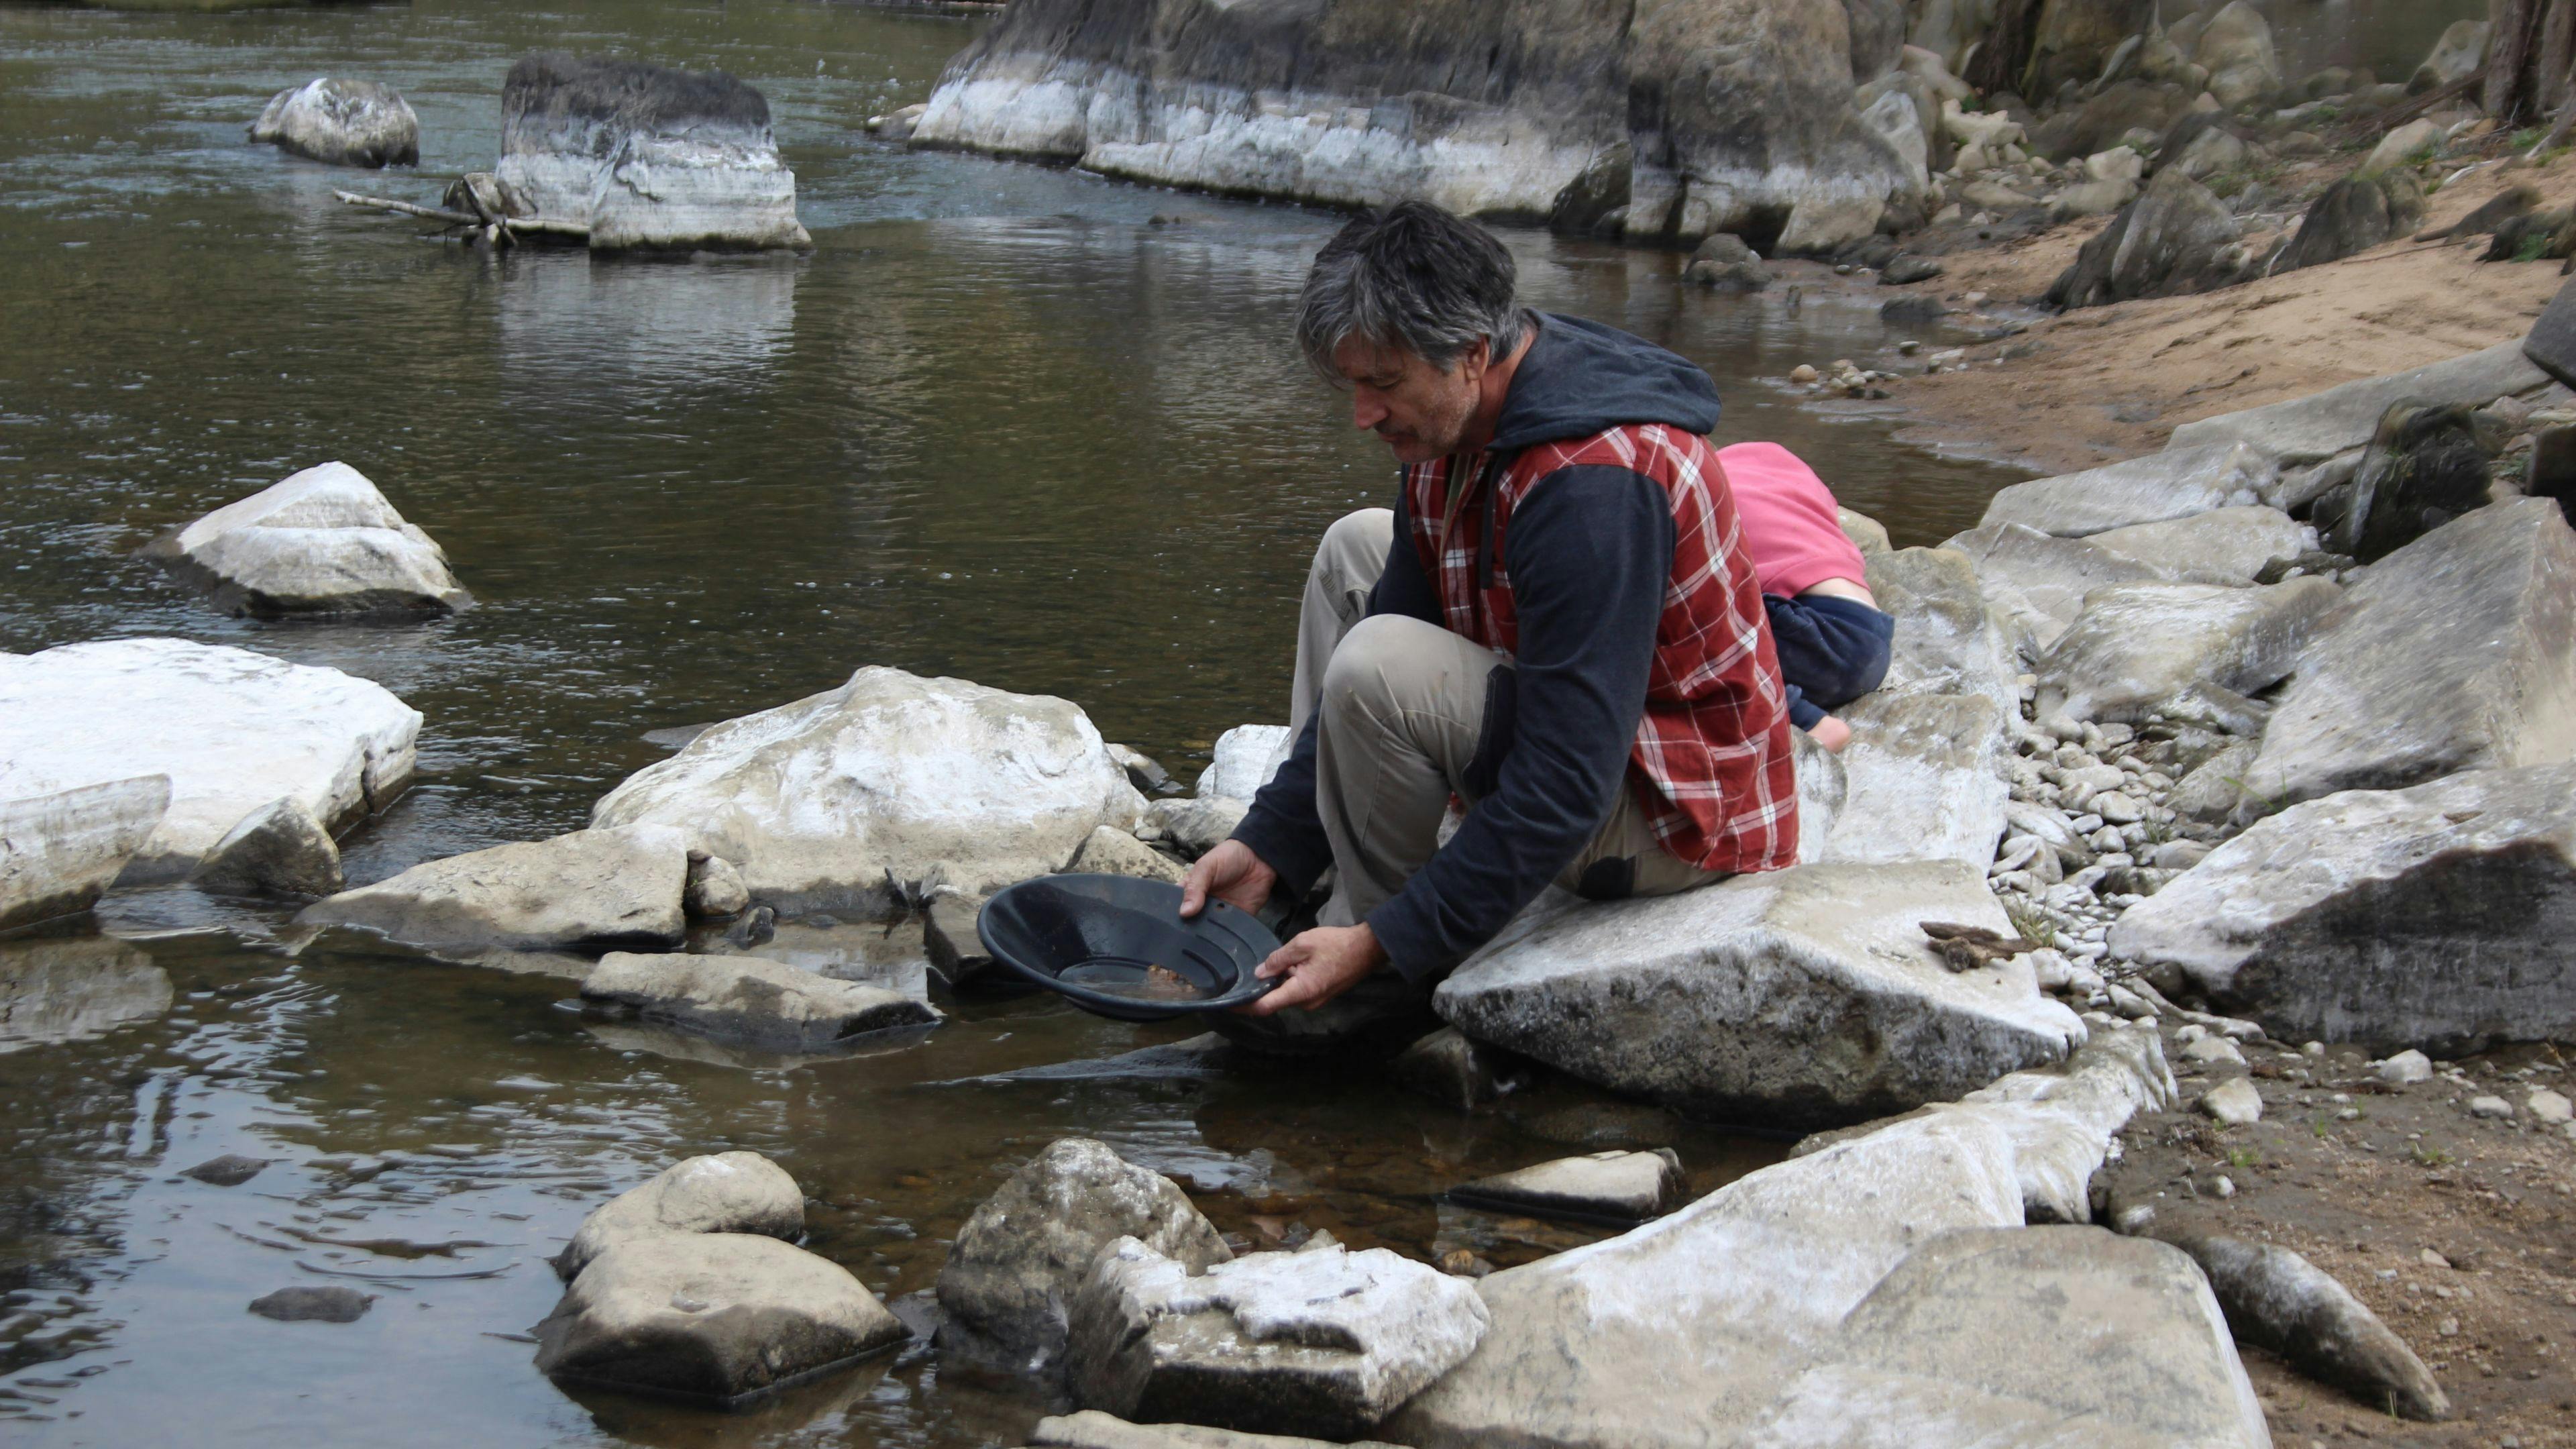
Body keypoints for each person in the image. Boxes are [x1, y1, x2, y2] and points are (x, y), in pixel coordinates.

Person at [1179, 201, 1799, 1051]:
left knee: (1375, 666)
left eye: (1383, 383)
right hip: (1600, 748)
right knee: (1352, 553)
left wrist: (1384, 943)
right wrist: (1270, 842)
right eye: (1352, 383)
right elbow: (1403, 605)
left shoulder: (1590, 489)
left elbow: (1569, 783)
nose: (1363, 412)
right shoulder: (1459, 418)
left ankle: (1387, 967)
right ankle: (1312, 880)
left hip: (1679, 817)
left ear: (1473, 355)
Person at [1713, 441, 1894, 754]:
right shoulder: (1776, 471)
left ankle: (1806, 720)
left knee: (1694, 619)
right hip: (1873, 639)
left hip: (1818, 633)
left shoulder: (1707, 495)